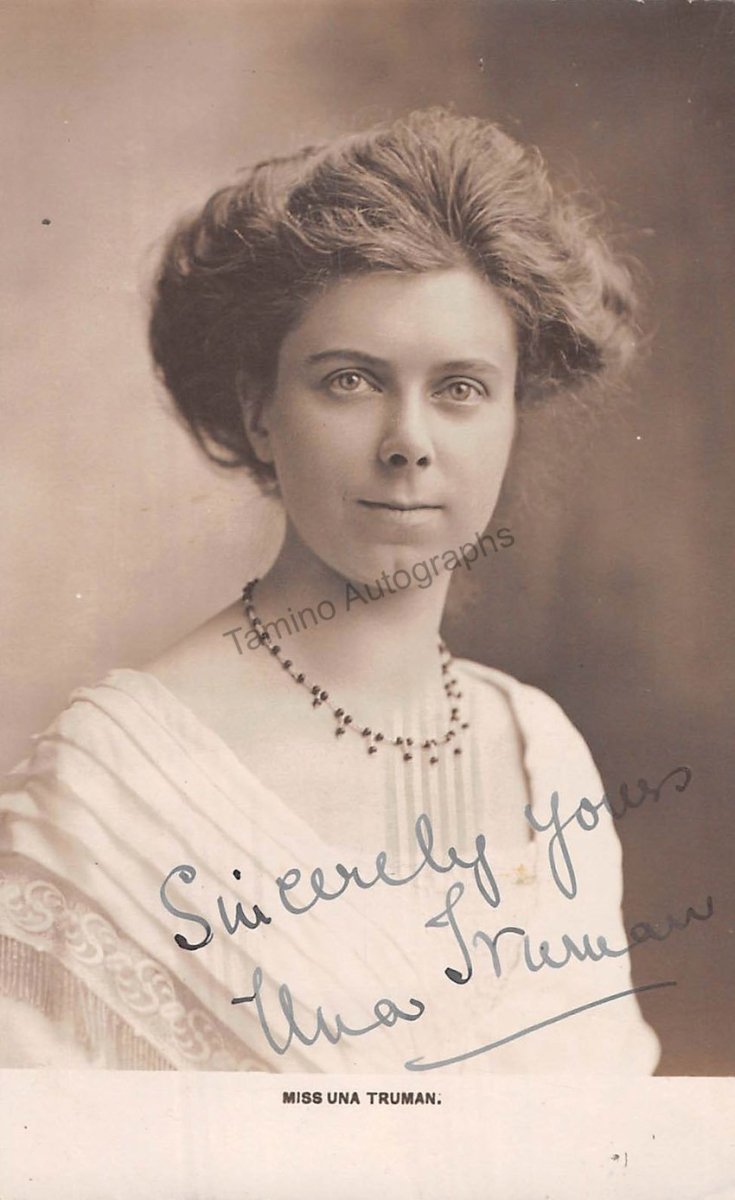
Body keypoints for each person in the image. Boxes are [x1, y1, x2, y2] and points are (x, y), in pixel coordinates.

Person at [0, 109, 661, 1072]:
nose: (408, 442)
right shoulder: (107, 789)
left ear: (512, 413)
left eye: (460, 388)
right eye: (350, 380)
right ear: (259, 412)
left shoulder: (542, 753)